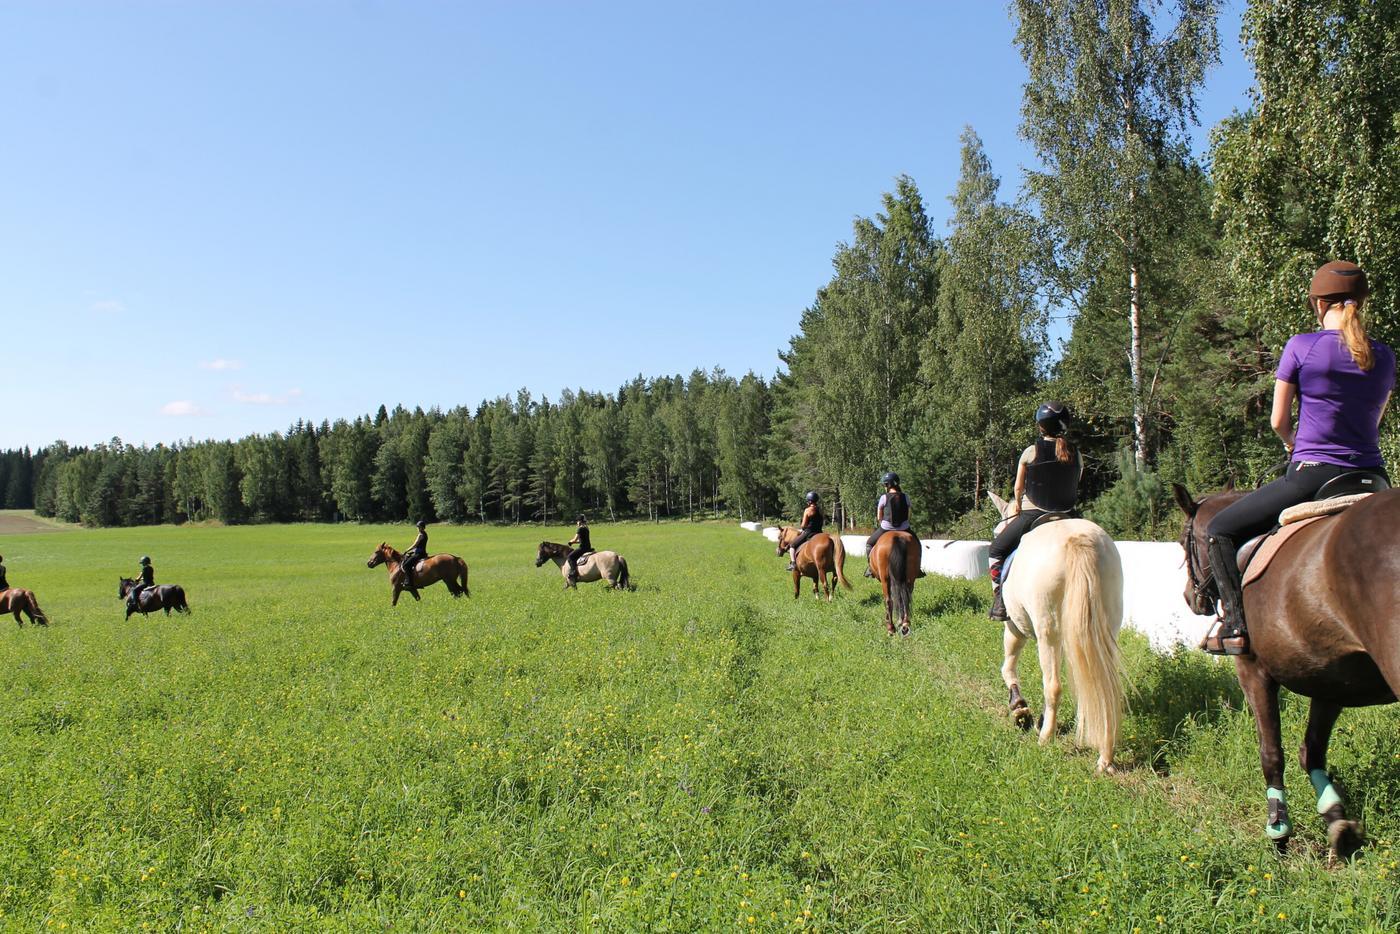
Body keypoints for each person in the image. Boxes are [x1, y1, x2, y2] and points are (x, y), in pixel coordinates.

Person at [1202, 260, 1395, 655]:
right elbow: (1375, 420)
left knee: (1219, 530)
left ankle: (1235, 625)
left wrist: (1292, 441)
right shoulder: (1385, 356)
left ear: (1319, 304)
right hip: (1374, 478)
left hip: (1313, 475)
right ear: (1361, 302)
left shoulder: (1301, 346)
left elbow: (1277, 420)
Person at [987, 402, 1082, 621]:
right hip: (1069, 513)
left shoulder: (1031, 451)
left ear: (1041, 426)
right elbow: (1076, 482)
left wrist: (1018, 504)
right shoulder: (1076, 454)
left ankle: (1000, 601)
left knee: (996, 551)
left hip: (1034, 514)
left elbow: (1019, 487)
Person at [864, 472, 920, 578]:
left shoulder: (884, 497)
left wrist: (882, 522)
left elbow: (879, 516)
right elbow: (909, 513)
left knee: (869, 544)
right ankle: (918, 568)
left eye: (885, 484)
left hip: (886, 528)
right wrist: (905, 523)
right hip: (904, 528)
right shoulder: (905, 497)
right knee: (917, 544)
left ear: (888, 485)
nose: (885, 487)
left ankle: (870, 568)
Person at [784, 491, 824, 570]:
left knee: (792, 545)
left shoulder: (808, 510)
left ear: (809, 501)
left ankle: (793, 564)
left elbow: (803, 525)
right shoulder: (820, 510)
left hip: (809, 533)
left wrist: (803, 527)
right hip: (819, 532)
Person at [397, 520, 429, 598]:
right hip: (421, 552)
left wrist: (406, 550)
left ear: (422, 527)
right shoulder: (425, 534)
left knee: (406, 565)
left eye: (419, 527)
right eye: (418, 527)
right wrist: (413, 552)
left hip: (419, 554)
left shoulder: (420, 535)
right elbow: (420, 546)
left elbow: (415, 545)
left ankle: (409, 582)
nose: (418, 528)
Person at [567, 514, 593, 582]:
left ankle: (573, 572)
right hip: (588, 547)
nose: (577, 522)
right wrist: (573, 543)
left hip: (583, 548)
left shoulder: (580, 528)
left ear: (580, 521)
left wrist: (570, 541)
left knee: (570, 557)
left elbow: (575, 539)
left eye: (577, 521)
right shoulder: (586, 528)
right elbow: (581, 540)